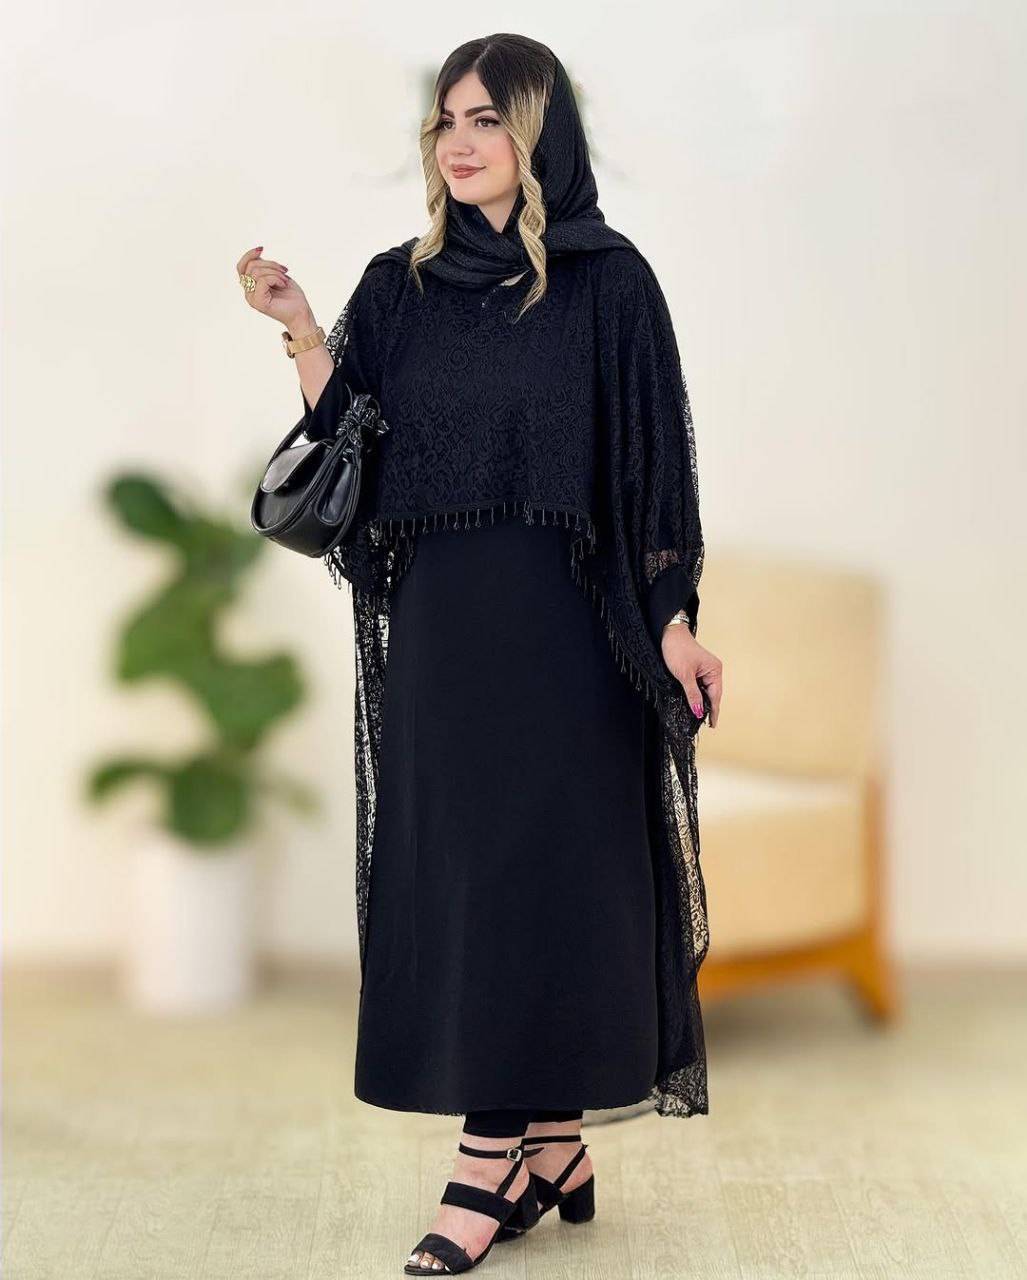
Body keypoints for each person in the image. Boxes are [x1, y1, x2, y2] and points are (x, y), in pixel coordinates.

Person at [237, 34, 723, 1276]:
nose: (461, 143)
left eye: (488, 120)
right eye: (447, 121)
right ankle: (551, 1142)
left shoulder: (609, 284)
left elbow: (654, 472)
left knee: (542, 880)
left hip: (571, 634)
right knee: (465, 879)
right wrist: (302, 329)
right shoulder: (397, 287)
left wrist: (672, 619)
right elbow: (353, 443)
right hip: (447, 636)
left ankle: (485, 1156)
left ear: (538, 135)